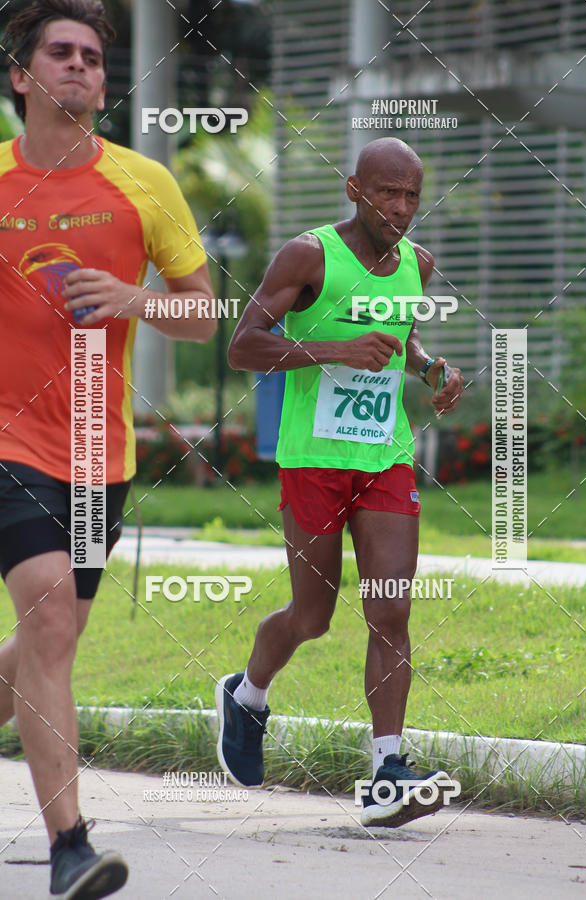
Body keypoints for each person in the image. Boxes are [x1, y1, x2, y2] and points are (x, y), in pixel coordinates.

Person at [0, 1, 216, 896]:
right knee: (50, 611)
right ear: (22, 75)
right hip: (7, 437)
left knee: (55, 636)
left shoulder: (144, 182)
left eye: (92, 56)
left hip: (98, 452)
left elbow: (202, 315)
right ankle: (70, 849)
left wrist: (137, 301)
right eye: (62, 53)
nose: (82, 67)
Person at [216, 137, 464, 828]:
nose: (401, 208)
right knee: (312, 616)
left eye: (412, 195)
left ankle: (388, 769)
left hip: (383, 455)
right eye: (388, 192)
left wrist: (430, 370)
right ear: (355, 189)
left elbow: (400, 338)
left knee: (390, 609)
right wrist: (330, 350)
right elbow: (243, 345)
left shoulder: (417, 264)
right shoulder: (309, 255)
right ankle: (246, 695)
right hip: (314, 459)